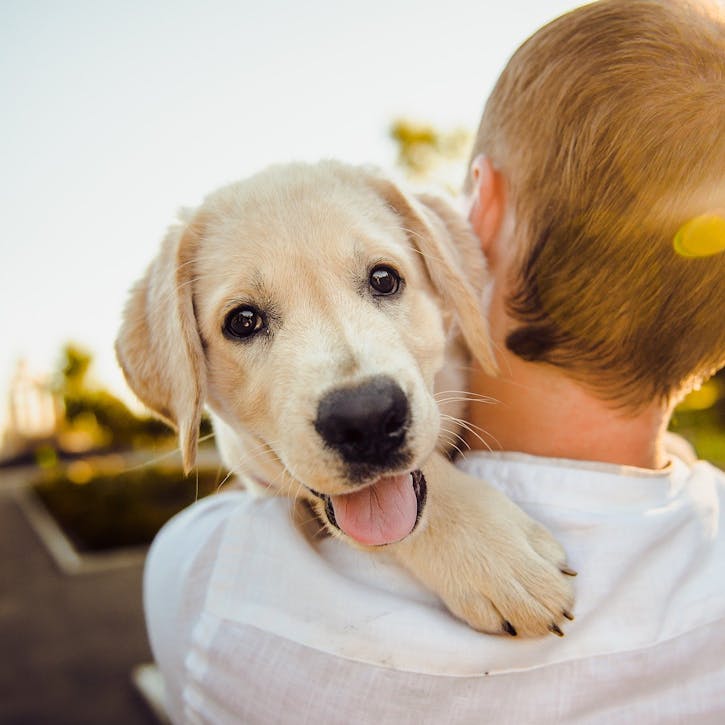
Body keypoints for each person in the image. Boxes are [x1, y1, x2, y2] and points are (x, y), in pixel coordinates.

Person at [143, 1, 725, 722]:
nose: (352, 391)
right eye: (247, 320)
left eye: (382, 281)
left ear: (474, 214)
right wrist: (434, 507)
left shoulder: (206, 581)